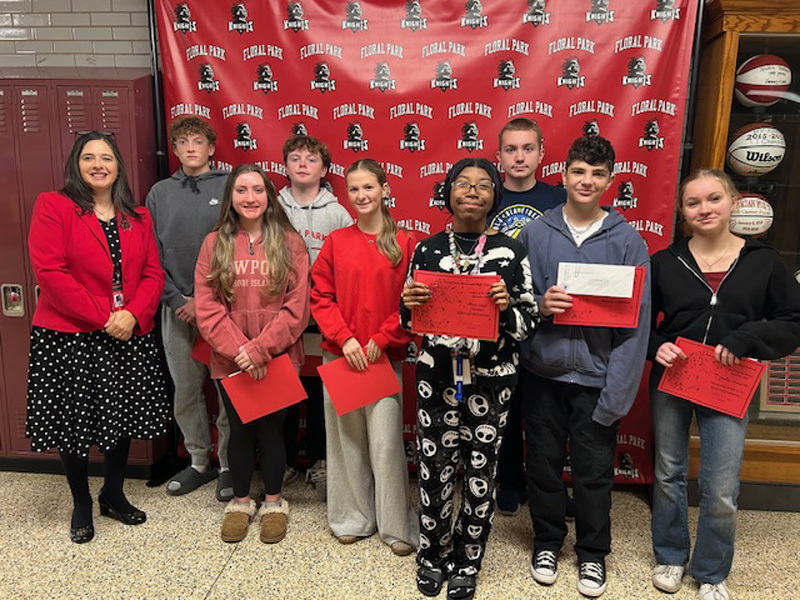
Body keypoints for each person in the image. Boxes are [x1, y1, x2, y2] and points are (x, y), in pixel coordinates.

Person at [648, 169, 800, 600]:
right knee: (668, 472)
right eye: (693, 203)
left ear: (732, 202)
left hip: (730, 380)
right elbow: (641, 325)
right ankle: (671, 556)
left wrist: (747, 338)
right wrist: (657, 347)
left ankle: (712, 573)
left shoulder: (763, 262)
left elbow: (793, 321)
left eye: (713, 199)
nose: (704, 209)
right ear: (682, 212)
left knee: (720, 485)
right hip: (674, 377)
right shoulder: (664, 262)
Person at [517, 135, 650, 597]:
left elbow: (635, 328)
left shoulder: (628, 241)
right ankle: (548, 541)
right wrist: (538, 303)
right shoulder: (536, 233)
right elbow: (514, 302)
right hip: (542, 375)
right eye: (579, 172)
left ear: (610, 181)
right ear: (564, 176)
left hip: (596, 380)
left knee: (594, 473)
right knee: (544, 467)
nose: (587, 181)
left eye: (597, 174)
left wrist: (617, 394)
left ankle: (592, 554)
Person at [401, 158, 538, 600]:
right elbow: (409, 320)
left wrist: (506, 307)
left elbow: (528, 323)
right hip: (437, 377)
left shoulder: (511, 252)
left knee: (481, 472)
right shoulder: (426, 249)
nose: (473, 191)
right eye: (463, 184)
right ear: (448, 192)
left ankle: (467, 560)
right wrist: (408, 302)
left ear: (495, 196)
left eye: (484, 185)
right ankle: (432, 556)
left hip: (490, 380)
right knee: (434, 471)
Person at [26, 131, 169, 544]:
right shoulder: (54, 206)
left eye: (106, 157)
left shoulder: (137, 216)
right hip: (70, 335)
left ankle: (113, 493)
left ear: (119, 166)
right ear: (77, 164)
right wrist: (107, 317)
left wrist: (132, 315)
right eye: (88, 158)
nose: (98, 165)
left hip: (126, 332)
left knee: (119, 416)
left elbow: (152, 274)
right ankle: (82, 502)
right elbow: (51, 273)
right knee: (74, 421)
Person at [194, 164, 310, 544]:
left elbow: (297, 307)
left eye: (257, 190)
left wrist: (260, 349)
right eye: (241, 190)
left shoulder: (290, 242)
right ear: (231, 197)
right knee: (240, 430)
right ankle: (241, 502)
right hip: (231, 359)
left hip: (275, 356)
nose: (250, 198)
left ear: (268, 196)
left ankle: (275, 502)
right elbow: (207, 306)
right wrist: (239, 350)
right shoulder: (215, 243)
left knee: (273, 431)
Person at [310, 158, 418, 556]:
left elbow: (413, 301)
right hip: (342, 358)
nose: (361, 196)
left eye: (369, 187)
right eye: (354, 189)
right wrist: (347, 339)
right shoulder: (337, 242)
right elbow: (320, 296)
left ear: (385, 189)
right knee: (345, 442)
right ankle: (352, 517)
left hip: (382, 358)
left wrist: (382, 336)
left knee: (387, 444)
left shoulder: (405, 243)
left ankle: (394, 524)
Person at [145, 116, 233, 501]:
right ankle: (199, 460)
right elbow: (150, 256)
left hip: (223, 308)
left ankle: (230, 463)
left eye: (199, 140)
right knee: (186, 388)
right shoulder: (159, 193)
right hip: (175, 307)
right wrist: (178, 300)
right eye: (183, 142)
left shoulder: (229, 186)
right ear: (176, 150)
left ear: (211, 148)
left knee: (228, 387)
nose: (191, 147)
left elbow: (241, 241)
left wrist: (207, 301)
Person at [490, 117, 567, 517]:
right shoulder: (488, 194)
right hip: (498, 316)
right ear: (498, 155)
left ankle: (548, 488)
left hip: (548, 315)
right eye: (510, 149)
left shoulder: (559, 199)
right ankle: (509, 481)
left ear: (541, 152)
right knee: (506, 403)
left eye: (527, 148)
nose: (519, 157)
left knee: (546, 412)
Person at [277, 134, 352, 497]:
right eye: (295, 158)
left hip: (324, 317)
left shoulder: (337, 213)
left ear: (325, 169)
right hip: (282, 317)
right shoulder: (272, 207)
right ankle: (287, 459)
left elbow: (349, 264)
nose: (303, 163)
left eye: (311, 159)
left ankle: (323, 460)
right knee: (286, 390)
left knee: (326, 389)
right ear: (285, 166)